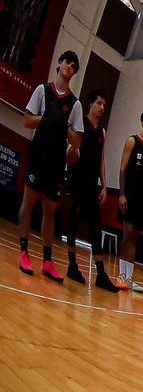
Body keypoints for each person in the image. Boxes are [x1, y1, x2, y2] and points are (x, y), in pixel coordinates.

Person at [18, 51, 83, 282]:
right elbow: (26, 121)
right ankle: (24, 253)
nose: (70, 67)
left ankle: (47, 261)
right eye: (67, 62)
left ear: (74, 72)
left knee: (49, 212)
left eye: (74, 66)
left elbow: (77, 142)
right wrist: (48, 118)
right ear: (59, 64)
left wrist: (65, 127)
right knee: (27, 204)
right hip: (38, 156)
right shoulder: (42, 91)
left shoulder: (75, 105)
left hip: (57, 162)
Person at [62, 89, 119, 292]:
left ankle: (101, 274)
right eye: (99, 103)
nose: (102, 107)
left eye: (104, 104)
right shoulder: (79, 124)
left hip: (92, 185)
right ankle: (71, 265)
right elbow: (69, 148)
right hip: (77, 180)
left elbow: (101, 159)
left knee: (95, 227)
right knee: (74, 222)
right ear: (90, 105)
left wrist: (104, 185)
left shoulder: (102, 133)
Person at [117, 110, 143, 293]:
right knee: (126, 234)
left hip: (142, 199)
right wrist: (122, 194)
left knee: (134, 237)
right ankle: (120, 275)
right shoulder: (132, 141)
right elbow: (123, 169)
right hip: (129, 195)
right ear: (142, 123)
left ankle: (129, 277)